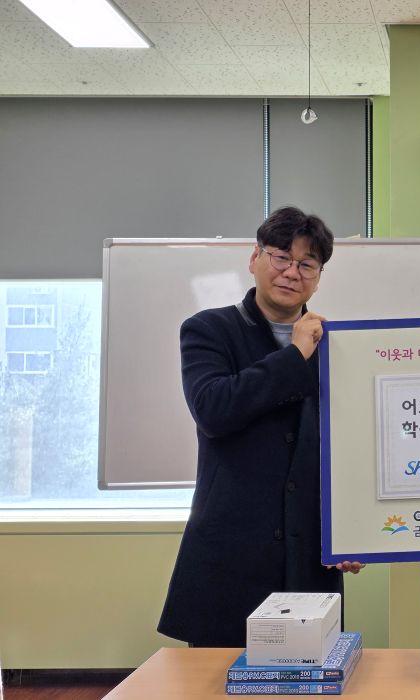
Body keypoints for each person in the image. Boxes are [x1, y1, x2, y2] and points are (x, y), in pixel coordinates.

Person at [158, 207, 363, 647]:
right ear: (255, 258)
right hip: (229, 560)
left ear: (319, 277)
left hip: (308, 562)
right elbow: (214, 410)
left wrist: (351, 529)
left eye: (307, 264)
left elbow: (348, 446)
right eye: (281, 257)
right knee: (215, 680)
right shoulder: (208, 330)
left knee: (310, 679)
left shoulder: (337, 346)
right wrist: (294, 356)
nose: (292, 272)